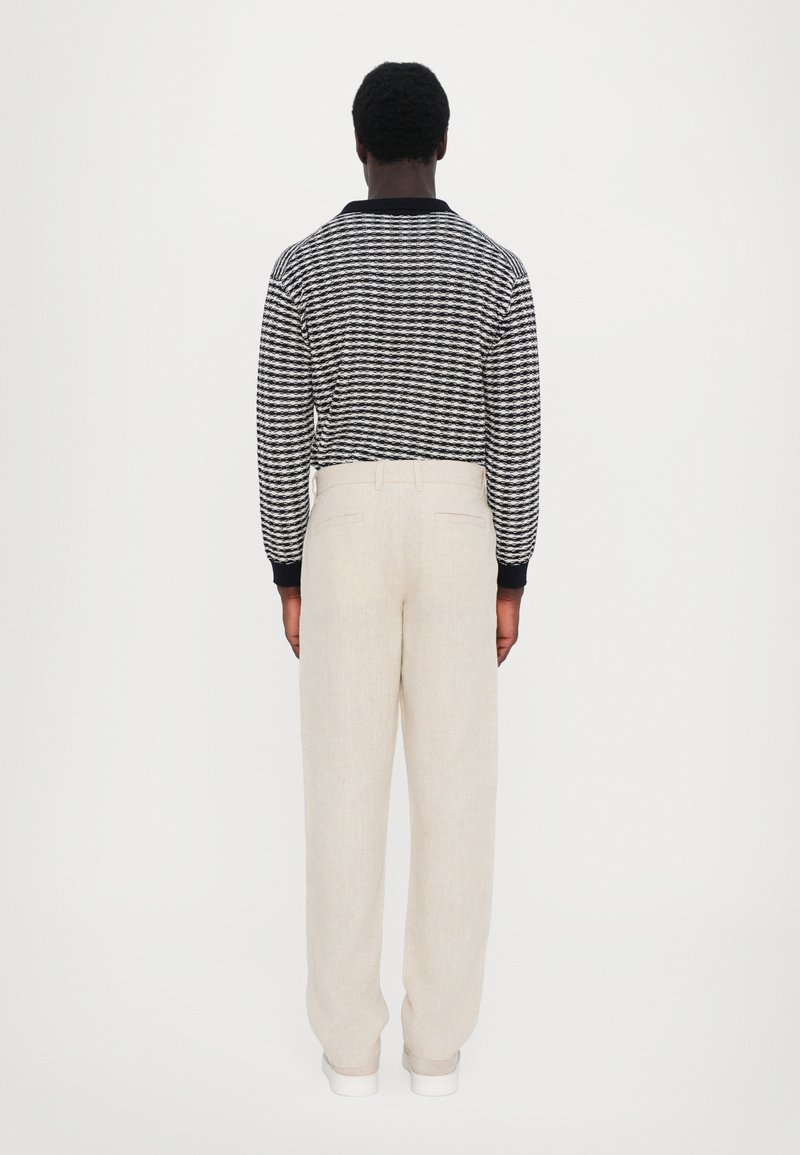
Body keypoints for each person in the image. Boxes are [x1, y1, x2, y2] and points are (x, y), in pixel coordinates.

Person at [256, 61, 541, 1097]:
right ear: (443, 144)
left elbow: (278, 427)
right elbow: (517, 431)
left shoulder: (302, 269)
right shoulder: (497, 273)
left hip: (343, 527)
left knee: (342, 790)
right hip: (461, 528)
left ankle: (347, 1055)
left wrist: (288, 565)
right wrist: (511, 573)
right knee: (456, 793)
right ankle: (436, 1054)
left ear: (358, 146)